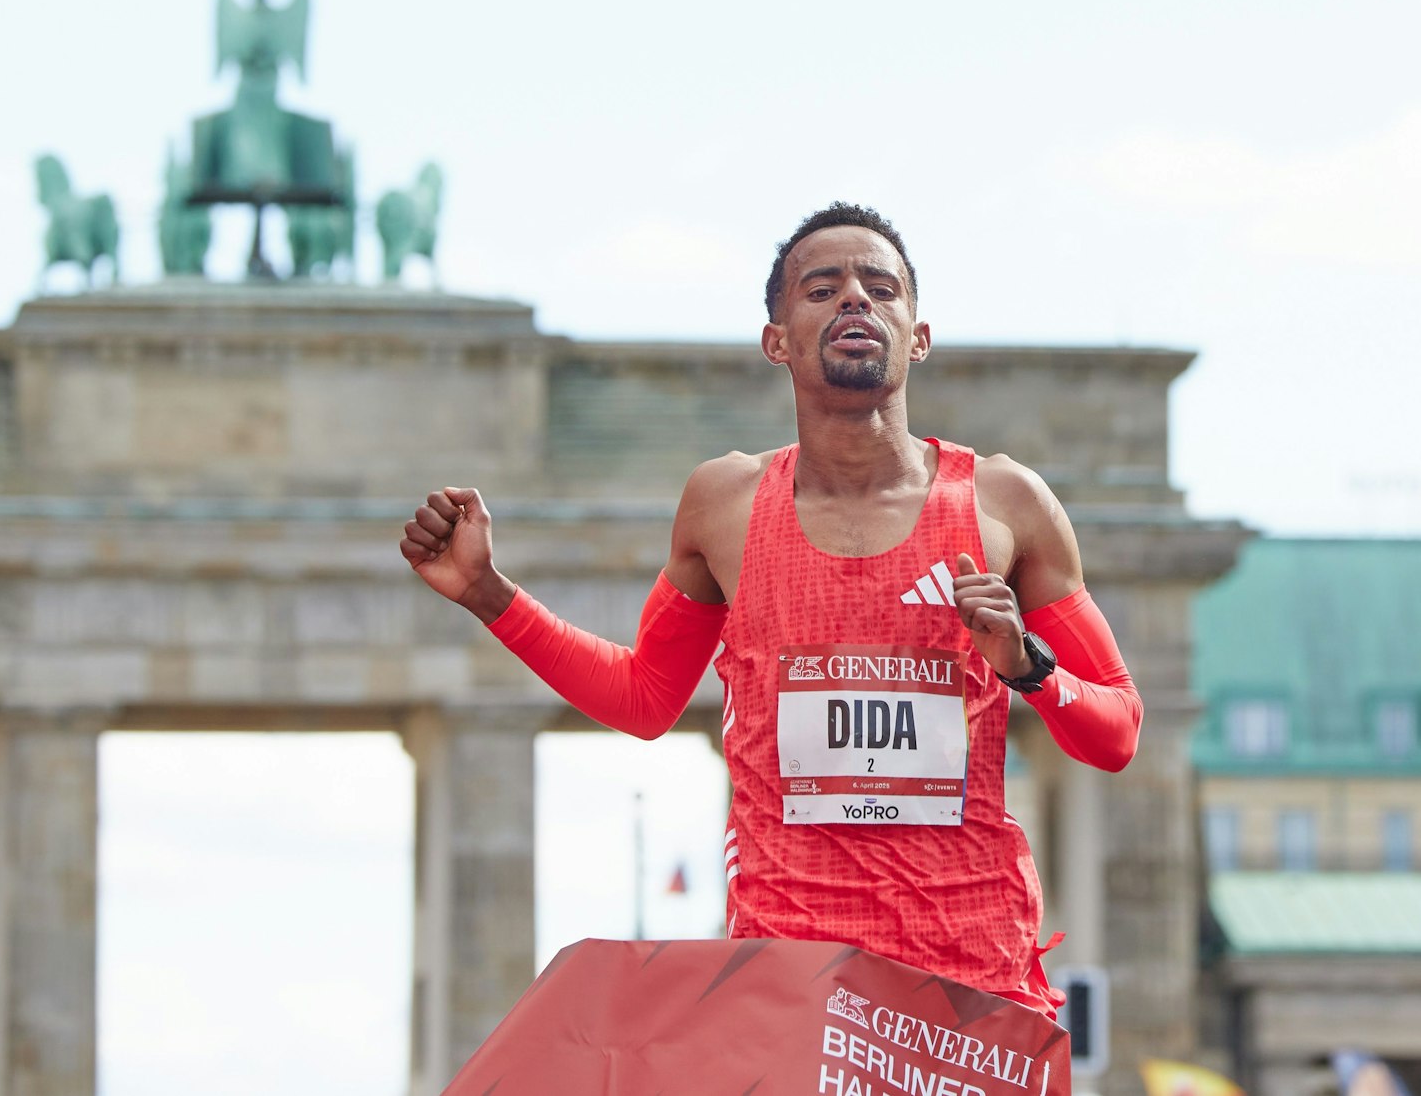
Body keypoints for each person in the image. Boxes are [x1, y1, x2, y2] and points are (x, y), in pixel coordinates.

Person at [399, 202, 1142, 1019]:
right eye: (822, 288)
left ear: (917, 334)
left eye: (880, 287)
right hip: (790, 988)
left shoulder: (1005, 502)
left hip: (972, 987)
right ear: (777, 340)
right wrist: (487, 594)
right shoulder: (724, 503)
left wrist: (1028, 666)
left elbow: (1117, 731)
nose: (855, 299)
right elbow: (647, 698)